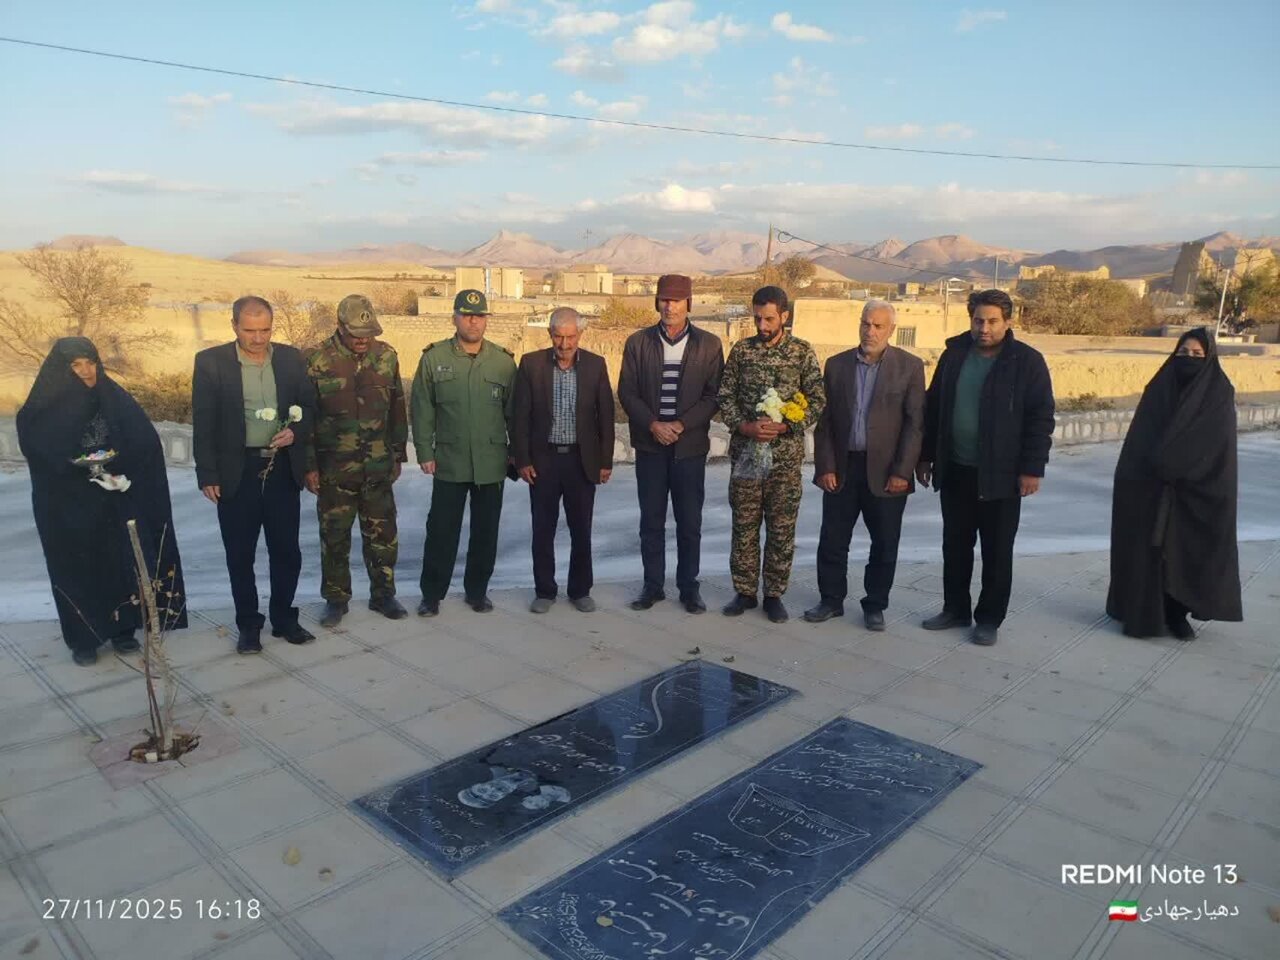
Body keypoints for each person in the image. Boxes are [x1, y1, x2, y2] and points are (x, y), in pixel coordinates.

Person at [18, 338, 188, 665]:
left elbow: (143, 442)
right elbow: (40, 452)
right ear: (61, 370)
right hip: (67, 505)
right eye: (76, 365)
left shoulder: (112, 397)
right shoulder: (41, 408)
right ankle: (83, 639)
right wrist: (76, 467)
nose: (85, 371)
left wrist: (119, 469)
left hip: (113, 499)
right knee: (77, 569)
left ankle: (123, 630)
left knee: (119, 564)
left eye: (90, 362)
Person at [916, 289, 1055, 646]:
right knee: (955, 546)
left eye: (993, 321)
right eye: (978, 320)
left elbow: (1040, 418)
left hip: (1001, 476)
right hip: (956, 469)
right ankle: (955, 609)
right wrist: (926, 456)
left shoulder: (1026, 362)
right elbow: (935, 407)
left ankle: (989, 619)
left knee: (997, 551)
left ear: (1008, 322)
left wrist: (1032, 468)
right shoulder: (954, 355)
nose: (984, 328)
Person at [193, 295, 315, 653]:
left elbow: (310, 407)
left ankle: (284, 619)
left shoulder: (291, 359)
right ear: (234, 326)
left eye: (265, 330)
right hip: (237, 472)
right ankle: (248, 625)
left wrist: (295, 432)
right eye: (250, 331)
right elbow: (204, 421)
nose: (258, 338)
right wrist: (207, 474)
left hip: (281, 469)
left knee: (286, 551)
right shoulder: (211, 363)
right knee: (240, 554)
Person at [1106, 329, 1242, 639]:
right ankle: (1144, 614)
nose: (1188, 359)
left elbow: (1215, 443)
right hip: (1151, 487)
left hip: (1197, 489)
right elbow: (1141, 437)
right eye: (1183, 353)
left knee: (1184, 553)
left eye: (1196, 355)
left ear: (1209, 358)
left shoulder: (1218, 392)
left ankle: (1177, 615)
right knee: (1150, 554)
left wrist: (1177, 464)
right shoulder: (1159, 387)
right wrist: (1148, 471)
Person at [807, 300, 926, 630]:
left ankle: (875, 605)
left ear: (891, 330)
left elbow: (915, 424)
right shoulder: (837, 365)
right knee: (833, 540)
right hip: (844, 468)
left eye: (878, 326)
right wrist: (825, 466)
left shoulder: (909, 367)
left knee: (884, 543)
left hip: (887, 472)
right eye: (865, 324)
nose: (870, 331)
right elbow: (825, 423)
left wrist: (902, 471)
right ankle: (831, 600)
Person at [718, 286, 825, 623]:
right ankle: (745, 591)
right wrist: (744, 426)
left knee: (781, 529)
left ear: (784, 316)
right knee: (744, 526)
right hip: (747, 457)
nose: (762, 326)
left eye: (768, 319)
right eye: (757, 319)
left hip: (784, 460)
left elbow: (818, 399)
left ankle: (774, 594)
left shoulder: (801, 352)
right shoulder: (742, 351)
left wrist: (789, 425)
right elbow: (725, 397)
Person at [618, 274, 724, 614]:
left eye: (676, 300)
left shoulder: (709, 345)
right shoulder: (638, 343)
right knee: (651, 522)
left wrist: (680, 425)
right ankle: (652, 587)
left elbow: (714, 396)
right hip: (650, 447)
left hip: (689, 449)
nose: (669, 306)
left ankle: (689, 588)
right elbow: (627, 392)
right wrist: (653, 424)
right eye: (664, 300)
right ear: (657, 303)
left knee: (689, 523)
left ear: (688, 303)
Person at [304, 294, 409, 629]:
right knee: (335, 539)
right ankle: (336, 600)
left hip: (377, 467)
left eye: (369, 333)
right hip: (334, 471)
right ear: (340, 326)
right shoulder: (317, 360)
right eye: (356, 334)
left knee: (383, 536)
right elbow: (305, 418)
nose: (364, 340)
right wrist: (309, 466)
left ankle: (384, 595)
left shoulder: (387, 356)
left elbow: (397, 408)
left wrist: (398, 454)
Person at [411, 290, 516, 616]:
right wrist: (424, 451)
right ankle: (432, 595)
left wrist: (517, 454)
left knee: (486, 533)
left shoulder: (503, 362)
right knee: (441, 531)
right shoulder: (434, 358)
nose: (473, 321)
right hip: (450, 461)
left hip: (490, 462)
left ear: (486, 320)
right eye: (467, 315)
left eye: (480, 316)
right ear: (454, 318)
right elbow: (422, 409)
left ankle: (477, 592)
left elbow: (515, 414)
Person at [513, 307, 615, 614]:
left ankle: (580, 590)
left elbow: (605, 416)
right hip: (543, 462)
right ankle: (544, 591)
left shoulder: (595, 366)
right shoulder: (531, 365)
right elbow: (520, 416)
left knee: (581, 530)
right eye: (558, 336)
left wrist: (605, 461)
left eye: (571, 337)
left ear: (580, 335)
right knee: (542, 530)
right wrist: (522, 460)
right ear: (549, 334)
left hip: (581, 462)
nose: (565, 344)